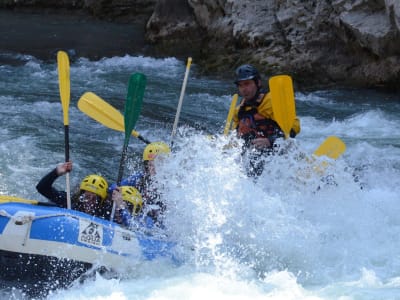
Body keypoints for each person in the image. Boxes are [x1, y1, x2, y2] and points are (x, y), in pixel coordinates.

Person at [232, 64, 301, 176]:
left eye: (247, 84)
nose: (244, 89)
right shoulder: (239, 111)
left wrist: (270, 141)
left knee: (257, 158)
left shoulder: (271, 102)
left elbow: (294, 126)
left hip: (279, 152)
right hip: (253, 157)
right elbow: (235, 137)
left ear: (258, 83)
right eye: (240, 85)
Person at [109, 142, 171, 226]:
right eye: (149, 165)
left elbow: (137, 226)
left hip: (154, 225)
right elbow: (113, 187)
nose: (152, 169)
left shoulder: (169, 190)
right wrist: (116, 190)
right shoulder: (140, 177)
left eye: (156, 165)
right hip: (136, 215)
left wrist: (121, 206)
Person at [36, 161, 112, 218]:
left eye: (94, 199)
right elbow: (42, 188)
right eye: (87, 197)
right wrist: (56, 172)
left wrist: (119, 204)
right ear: (81, 195)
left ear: (101, 201)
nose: (89, 202)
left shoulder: (105, 212)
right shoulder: (69, 202)